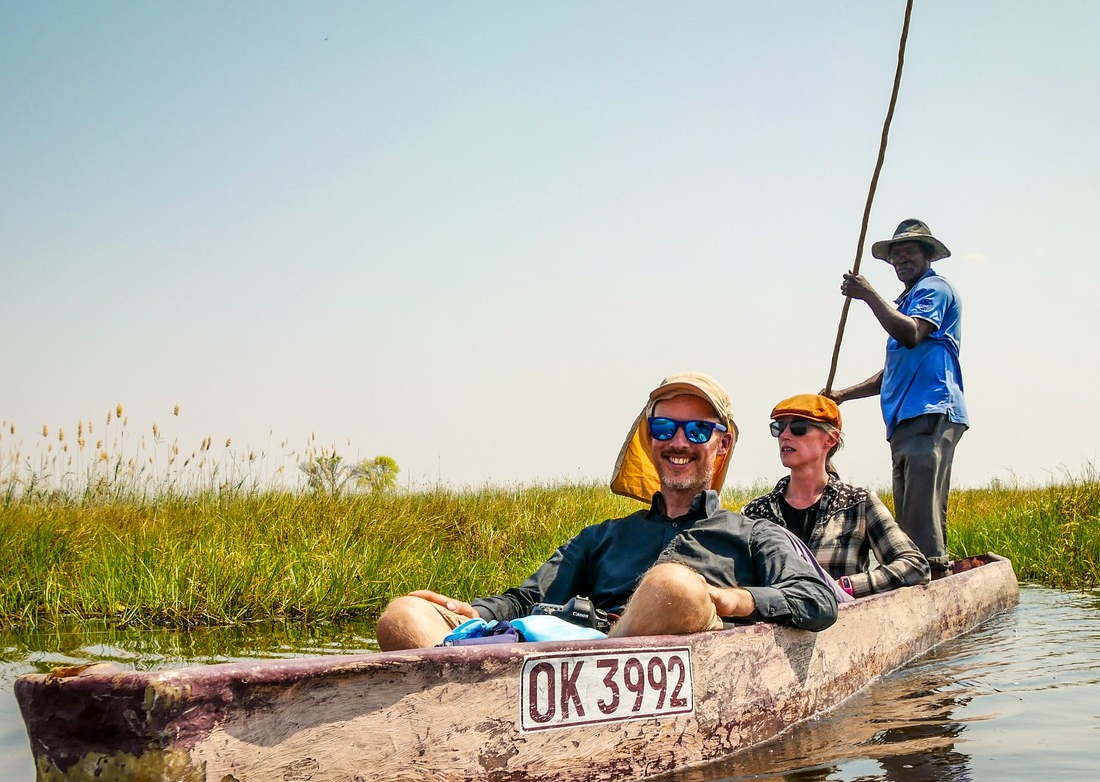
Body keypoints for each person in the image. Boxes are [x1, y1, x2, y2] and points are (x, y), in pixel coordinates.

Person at [375, 374, 840, 650]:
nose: (679, 442)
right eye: (665, 427)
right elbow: (525, 599)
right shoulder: (602, 536)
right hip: (567, 650)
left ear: (723, 445)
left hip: (668, 666)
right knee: (405, 616)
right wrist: (470, 611)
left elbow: (817, 599)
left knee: (673, 586)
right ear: (651, 439)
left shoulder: (754, 533)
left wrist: (732, 599)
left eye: (698, 431)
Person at [829, 218, 967, 577]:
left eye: (910, 252)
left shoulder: (934, 289)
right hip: (904, 419)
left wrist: (867, 294)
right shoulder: (906, 301)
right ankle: (919, 569)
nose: (902, 259)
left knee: (922, 505)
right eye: (896, 254)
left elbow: (910, 335)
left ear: (927, 254)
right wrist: (843, 394)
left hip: (931, 409)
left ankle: (928, 572)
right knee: (908, 509)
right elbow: (892, 371)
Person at [743, 393, 927, 597]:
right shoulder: (756, 512)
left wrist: (845, 587)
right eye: (778, 427)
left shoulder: (858, 504)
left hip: (842, 623)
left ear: (830, 439)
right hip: (773, 623)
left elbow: (914, 566)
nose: (785, 435)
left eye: (798, 427)